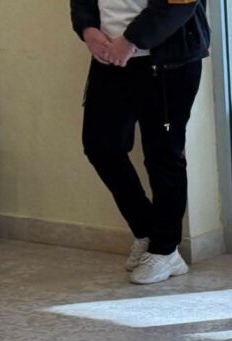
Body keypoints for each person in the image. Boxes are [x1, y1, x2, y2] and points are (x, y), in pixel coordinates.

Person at [70, 0, 209, 285]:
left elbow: (178, 5)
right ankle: (147, 231)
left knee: (163, 154)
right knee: (100, 145)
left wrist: (132, 40)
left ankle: (165, 249)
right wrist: (88, 28)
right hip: (109, 58)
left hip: (169, 62)